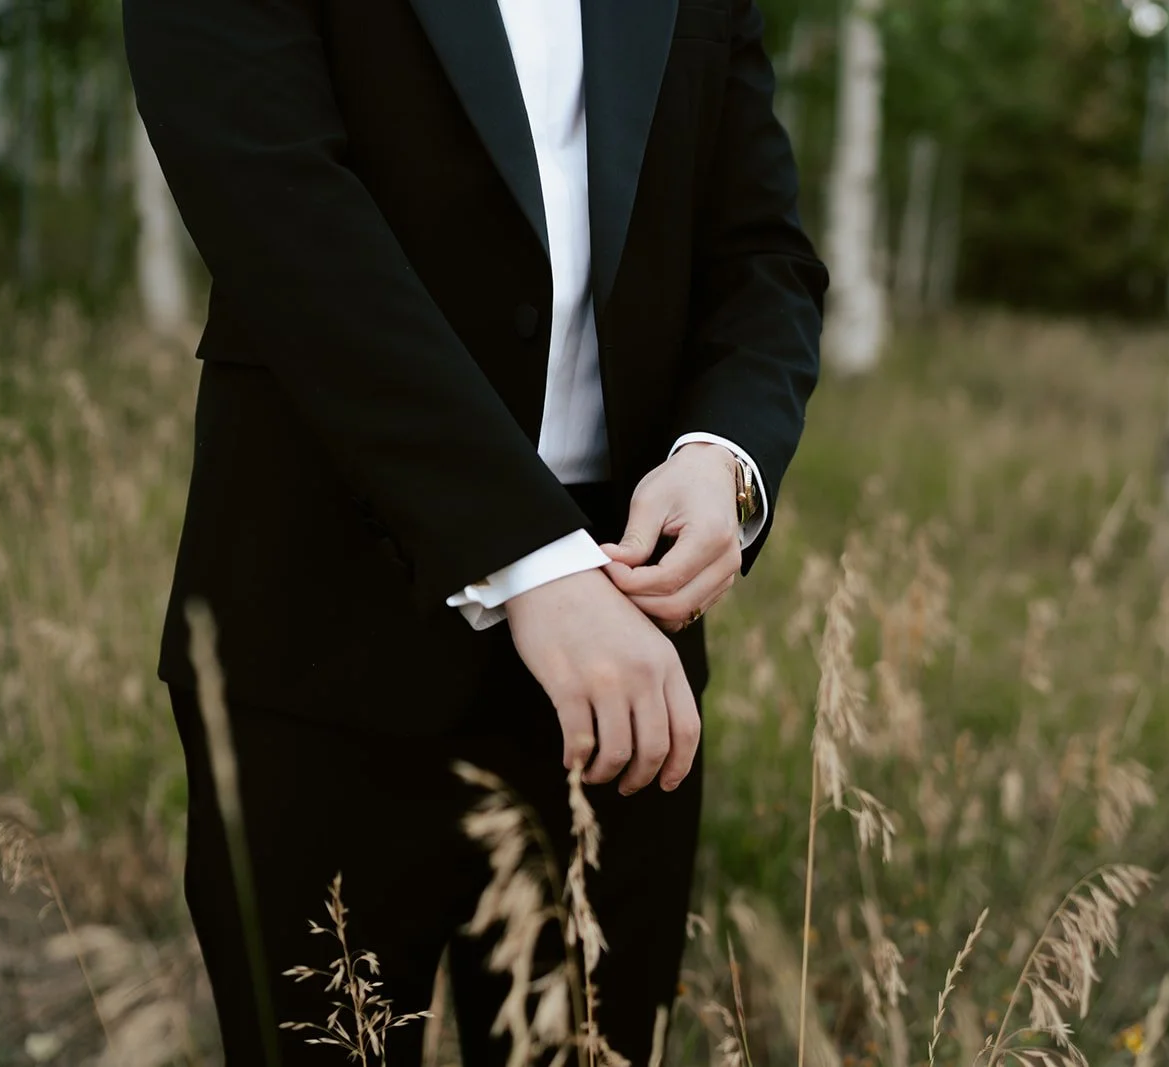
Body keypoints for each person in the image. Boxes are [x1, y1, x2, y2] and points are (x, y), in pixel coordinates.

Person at [123, 0, 826, 1062]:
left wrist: (719, 456)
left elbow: (763, 251)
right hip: (320, 629)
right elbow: (279, 219)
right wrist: (526, 552)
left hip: (627, 649)